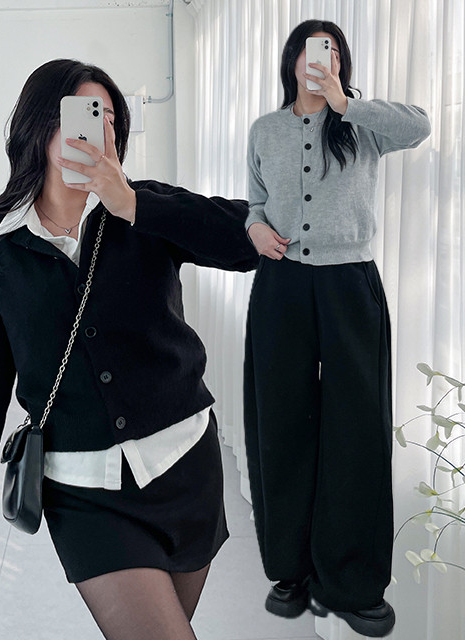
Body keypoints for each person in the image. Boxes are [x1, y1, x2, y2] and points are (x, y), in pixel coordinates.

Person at [0, 59, 258, 640]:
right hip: (83, 493)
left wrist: (134, 205)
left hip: (184, 467)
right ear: (37, 126)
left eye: (105, 118)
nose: (92, 130)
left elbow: (251, 242)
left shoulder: (145, 208)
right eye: (78, 114)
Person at [243, 19, 430, 638]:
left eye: (329, 52)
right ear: (291, 61)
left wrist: (348, 104)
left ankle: (352, 581)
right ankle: (290, 569)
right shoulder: (264, 129)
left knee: (358, 429)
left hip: (350, 285)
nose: (317, 60)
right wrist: (254, 227)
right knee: (282, 425)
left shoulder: (363, 125)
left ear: (340, 62)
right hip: (281, 286)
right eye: (307, 50)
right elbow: (254, 203)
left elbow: (421, 125)